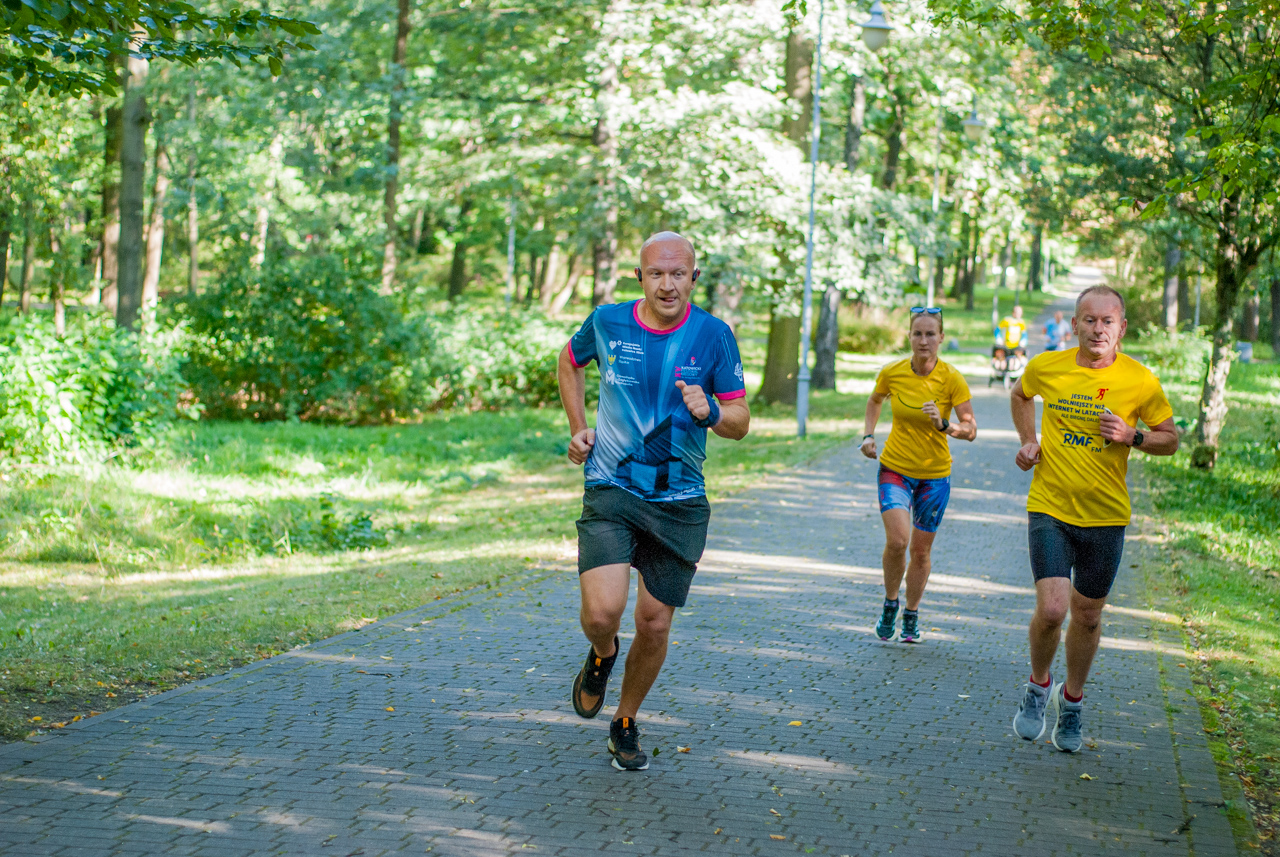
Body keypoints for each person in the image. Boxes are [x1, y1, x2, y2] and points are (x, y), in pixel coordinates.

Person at [557, 231, 750, 771]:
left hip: (679, 502)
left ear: (694, 277)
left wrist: (712, 410)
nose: (668, 284)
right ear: (639, 277)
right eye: (657, 274)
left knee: (655, 624)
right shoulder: (607, 322)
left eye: (679, 274)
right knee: (602, 613)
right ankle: (602, 653)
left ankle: (625, 720)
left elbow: (740, 421)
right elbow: (569, 362)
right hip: (612, 488)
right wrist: (577, 427)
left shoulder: (714, 335)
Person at [1009, 286, 1179, 753]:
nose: (1098, 329)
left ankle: (1072, 701)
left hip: (1106, 517)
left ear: (1121, 328)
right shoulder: (1048, 366)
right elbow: (1020, 394)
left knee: (1086, 617)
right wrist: (1028, 441)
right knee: (1052, 610)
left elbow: (1170, 438)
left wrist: (1132, 436)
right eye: (1089, 320)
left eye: (1107, 321)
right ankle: (1038, 685)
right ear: (1074, 325)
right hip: (1050, 507)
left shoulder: (1140, 380)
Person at [860, 307, 977, 643]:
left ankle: (911, 613)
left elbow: (971, 430)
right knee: (898, 541)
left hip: (934, 476)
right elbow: (875, 400)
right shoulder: (892, 372)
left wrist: (945, 424)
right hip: (895, 468)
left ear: (941, 338)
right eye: (917, 334)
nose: (923, 341)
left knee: (921, 552)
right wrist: (868, 435)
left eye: (930, 334)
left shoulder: (952, 378)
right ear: (909, 336)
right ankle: (890, 603)